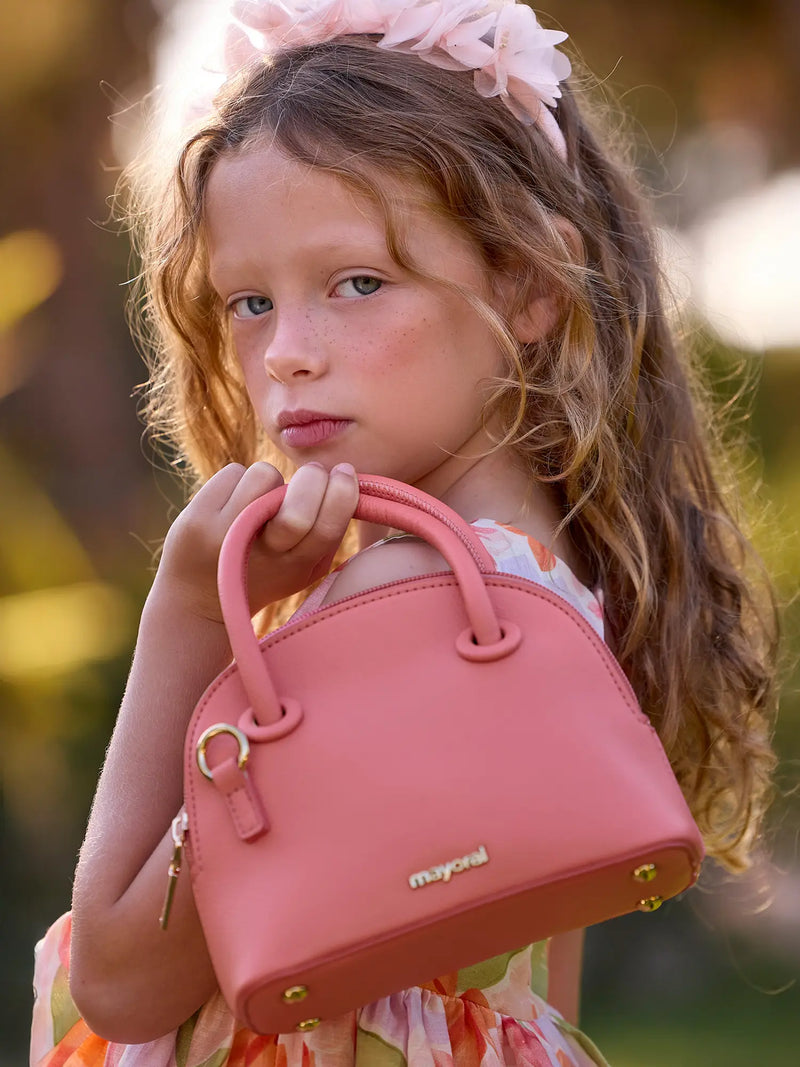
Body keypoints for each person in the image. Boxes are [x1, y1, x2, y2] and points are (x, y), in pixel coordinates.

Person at [30, 1, 780, 1064]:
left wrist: (189, 608)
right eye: (248, 302)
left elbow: (119, 978)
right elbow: (549, 991)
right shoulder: (553, 584)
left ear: (528, 284)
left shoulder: (400, 600)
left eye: (357, 284)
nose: (286, 353)